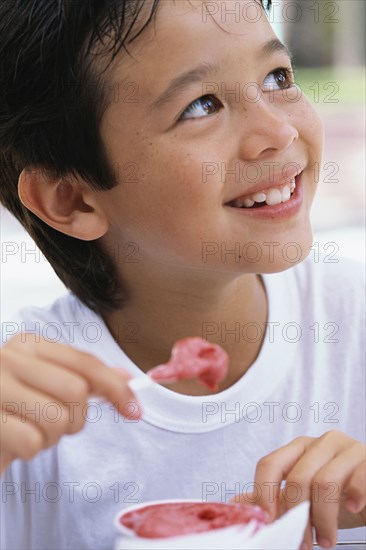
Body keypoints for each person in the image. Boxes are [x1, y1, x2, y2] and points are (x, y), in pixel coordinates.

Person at [0, 1, 364, 549]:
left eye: (277, 77)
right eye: (202, 105)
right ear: (71, 198)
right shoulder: (19, 408)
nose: (278, 130)